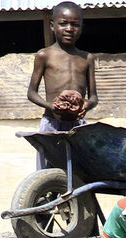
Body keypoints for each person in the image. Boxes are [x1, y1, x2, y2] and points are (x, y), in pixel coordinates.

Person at [27, 1, 97, 168]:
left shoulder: (87, 58)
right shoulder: (45, 55)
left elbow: (93, 97)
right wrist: (51, 106)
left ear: (81, 27)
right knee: (48, 172)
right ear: (52, 25)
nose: (69, 29)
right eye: (63, 23)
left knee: (78, 171)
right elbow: (31, 93)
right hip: (51, 124)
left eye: (75, 24)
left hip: (78, 126)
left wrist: (86, 105)